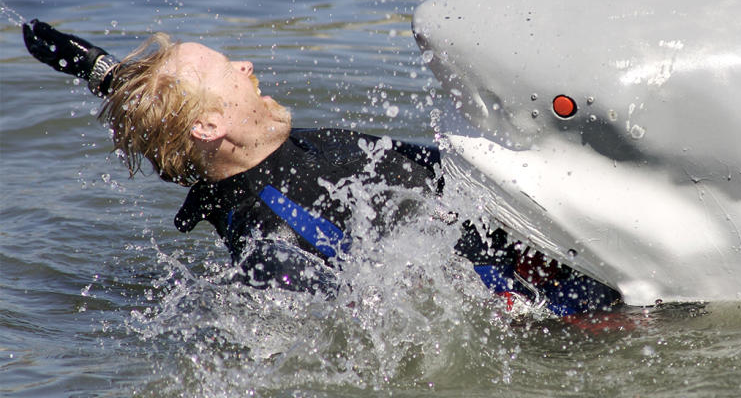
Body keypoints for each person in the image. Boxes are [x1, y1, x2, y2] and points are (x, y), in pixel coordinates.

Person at [21, 19, 621, 317]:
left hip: (544, 227)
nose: (248, 67)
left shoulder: (251, 151)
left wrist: (92, 67)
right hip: (567, 306)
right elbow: (339, 320)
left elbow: (159, 99)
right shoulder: (268, 236)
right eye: (229, 68)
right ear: (208, 127)